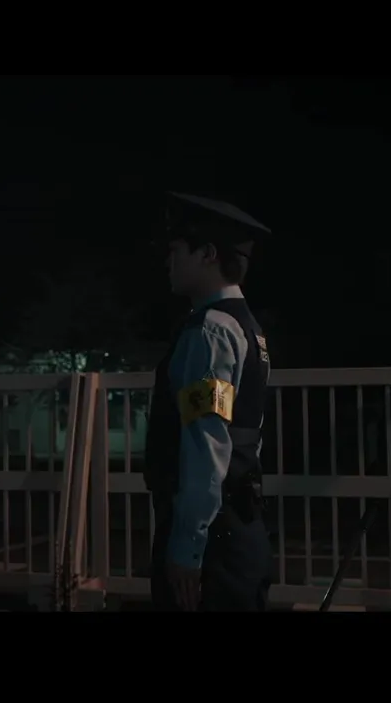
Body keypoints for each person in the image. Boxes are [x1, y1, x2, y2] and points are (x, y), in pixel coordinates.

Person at [144, 192, 274, 612]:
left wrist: (187, 546)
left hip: (215, 543)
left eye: (176, 250)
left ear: (208, 254)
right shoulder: (249, 329)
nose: (168, 262)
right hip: (242, 527)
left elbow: (206, 442)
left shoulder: (209, 332)